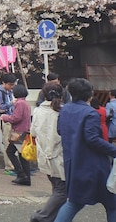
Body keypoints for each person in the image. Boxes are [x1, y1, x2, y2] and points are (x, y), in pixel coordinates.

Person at [53, 78, 116, 222]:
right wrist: (113, 150)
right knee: (112, 203)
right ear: (90, 94)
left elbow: (60, 131)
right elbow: (92, 139)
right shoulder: (90, 113)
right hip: (93, 166)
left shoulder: (65, 109)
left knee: (74, 202)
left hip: (73, 163)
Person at [30, 83, 66, 222]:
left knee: (57, 189)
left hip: (44, 155)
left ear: (43, 95)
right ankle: (42, 216)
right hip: (59, 155)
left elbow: (33, 132)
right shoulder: (62, 111)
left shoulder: (38, 111)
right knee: (62, 191)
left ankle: (50, 217)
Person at [0, 84, 32, 186]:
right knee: (22, 155)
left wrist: (5, 117)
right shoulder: (26, 103)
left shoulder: (19, 103)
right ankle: (26, 178)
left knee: (10, 151)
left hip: (18, 132)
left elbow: (16, 118)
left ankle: (21, 174)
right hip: (25, 131)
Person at [0, 73, 17, 175]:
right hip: (5, 120)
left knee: (14, 143)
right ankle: (9, 167)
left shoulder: (10, 91)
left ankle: (15, 165)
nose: (12, 87)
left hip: (12, 119)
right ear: (4, 83)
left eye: (13, 84)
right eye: (10, 84)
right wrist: (11, 103)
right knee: (7, 143)